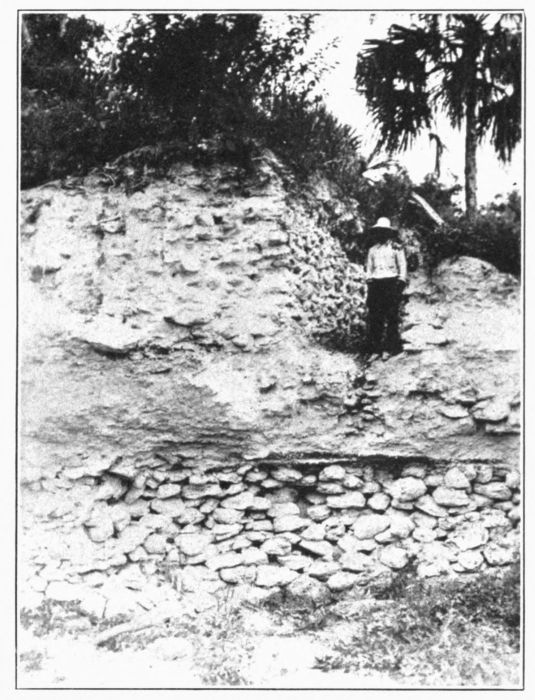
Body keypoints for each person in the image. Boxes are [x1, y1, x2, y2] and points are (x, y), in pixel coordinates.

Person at [365, 216, 408, 356]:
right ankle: (375, 349)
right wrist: (369, 281)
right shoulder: (372, 250)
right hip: (376, 284)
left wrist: (401, 280)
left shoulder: (396, 248)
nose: (381, 234)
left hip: (391, 283)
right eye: (379, 231)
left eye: (384, 231)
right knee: (375, 317)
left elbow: (402, 265)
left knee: (392, 316)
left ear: (389, 233)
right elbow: (369, 268)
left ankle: (389, 348)